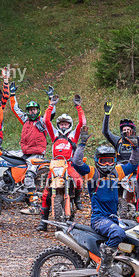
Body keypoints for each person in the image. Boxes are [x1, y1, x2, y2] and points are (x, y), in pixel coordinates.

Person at [69, 133, 139, 277]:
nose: (107, 164)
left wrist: (135, 147)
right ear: (96, 161)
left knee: (134, 231)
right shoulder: (92, 174)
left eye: (110, 160)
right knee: (117, 233)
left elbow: (133, 164)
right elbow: (76, 163)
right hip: (99, 219)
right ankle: (105, 268)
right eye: (103, 161)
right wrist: (82, 143)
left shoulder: (117, 172)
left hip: (113, 218)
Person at [36, 92, 87, 231]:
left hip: (68, 164)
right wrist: (51, 105)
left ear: (69, 125)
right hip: (54, 165)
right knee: (46, 193)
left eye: (66, 124)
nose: (63, 126)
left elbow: (82, 123)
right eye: (62, 124)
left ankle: (77, 199)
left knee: (78, 181)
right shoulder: (54, 134)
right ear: (58, 125)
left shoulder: (73, 135)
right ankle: (43, 222)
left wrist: (78, 106)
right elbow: (46, 121)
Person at [8, 82, 52, 214]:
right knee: (4, 155)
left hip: (37, 154)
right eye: (30, 110)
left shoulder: (43, 122)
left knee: (29, 177)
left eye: (34, 109)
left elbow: (51, 113)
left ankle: (34, 205)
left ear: (38, 110)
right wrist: (12, 94)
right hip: (25, 152)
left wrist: (51, 100)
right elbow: (15, 109)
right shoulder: (25, 120)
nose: (32, 112)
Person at [103, 98, 139, 163]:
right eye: (124, 130)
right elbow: (105, 132)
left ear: (133, 131)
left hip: (135, 167)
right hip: (121, 167)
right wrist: (107, 114)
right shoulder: (118, 141)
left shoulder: (138, 140)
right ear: (121, 132)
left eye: (128, 129)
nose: (126, 131)